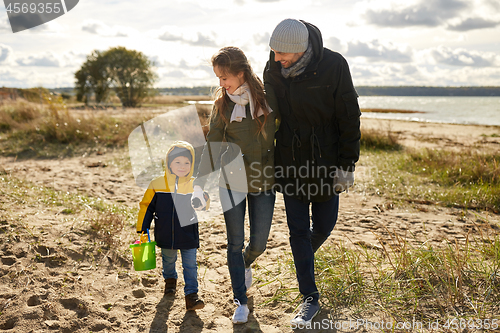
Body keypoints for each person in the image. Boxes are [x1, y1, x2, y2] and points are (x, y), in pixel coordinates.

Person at [263, 19, 361, 326]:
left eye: (281, 53)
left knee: (324, 226)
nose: (276, 58)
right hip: (289, 162)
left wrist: (347, 165)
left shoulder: (334, 65)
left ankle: (302, 259)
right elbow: (266, 115)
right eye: (274, 52)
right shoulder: (273, 70)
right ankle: (309, 297)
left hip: (325, 162)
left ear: (300, 48)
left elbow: (349, 116)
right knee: (298, 232)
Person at [193, 46, 276, 324]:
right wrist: (200, 184)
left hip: (264, 180)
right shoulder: (222, 105)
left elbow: (287, 134)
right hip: (231, 182)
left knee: (259, 243)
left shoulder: (268, 99)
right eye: (218, 78)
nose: (221, 84)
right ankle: (240, 300)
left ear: (241, 73)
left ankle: (246, 263)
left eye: (225, 77)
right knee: (234, 243)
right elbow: (213, 146)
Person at [137, 141, 206, 311]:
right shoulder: (157, 184)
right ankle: (170, 281)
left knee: (190, 265)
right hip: (165, 234)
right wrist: (142, 228)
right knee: (168, 261)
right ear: (169, 164)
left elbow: (204, 201)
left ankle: (192, 296)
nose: (182, 166)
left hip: (188, 234)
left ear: (192, 164)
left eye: (187, 163)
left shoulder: (194, 184)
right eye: (178, 162)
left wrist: (201, 201)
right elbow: (147, 207)